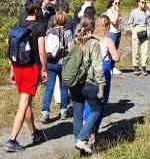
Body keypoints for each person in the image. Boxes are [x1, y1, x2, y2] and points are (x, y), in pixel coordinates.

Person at [5, 2, 48, 152]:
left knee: (27, 101)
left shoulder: (19, 23)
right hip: (31, 67)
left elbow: (11, 48)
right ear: (36, 11)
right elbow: (42, 51)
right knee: (23, 103)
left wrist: (11, 69)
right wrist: (44, 69)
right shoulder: (39, 26)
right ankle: (12, 140)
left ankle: (34, 133)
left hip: (18, 66)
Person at [82, 14, 121, 145]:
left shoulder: (89, 38)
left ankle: (85, 127)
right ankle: (94, 130)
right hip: (103, 70)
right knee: (101, 102)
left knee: (89, 100)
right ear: (107, 26)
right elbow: (116, 58)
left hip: (89, 71)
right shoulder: (107, 40)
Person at [70, 15, 104, 154]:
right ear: (93, 26)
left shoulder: (75, 41)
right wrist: (101, 85)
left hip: (75, 83)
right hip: (89, 82)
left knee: (77, 114)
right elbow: (97, 66)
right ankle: (82, 139)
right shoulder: (94, 43)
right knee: (96, 110)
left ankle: (80, 145)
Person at [41, 10, 73, 123]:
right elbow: (71, 49)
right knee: (63, 87)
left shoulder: (49, 31)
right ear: (65, 20)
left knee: (49, 88)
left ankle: (45, 112)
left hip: (50, 63)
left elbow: (45, 47)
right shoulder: (68, 32)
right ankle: (63, 110)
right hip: (63, 63)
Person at [127, 0, 150, 76]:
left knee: (145, 50)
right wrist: (133, 31)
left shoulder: (146, 12)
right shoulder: (133, 11)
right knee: (135, 49)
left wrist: (149, 6)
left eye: (144, 2)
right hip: (136, 29)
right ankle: (136, 67)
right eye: (142, 2)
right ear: (138, 3)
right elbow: (130, 22)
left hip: (144, 29)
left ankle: (144, 68)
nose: (144, 4)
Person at [104, 0, 123, 75]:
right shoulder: (109, 11)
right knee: (111, 50)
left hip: (118, 31)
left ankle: (113, 66)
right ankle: (109, 67)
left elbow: (120, 20)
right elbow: (114, 21)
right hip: (112, 32)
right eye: (116, 3)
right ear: (112, 3)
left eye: (119, 3)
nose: (117, 4)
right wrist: (117, 13)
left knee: (115, 49)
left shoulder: (117, 10)